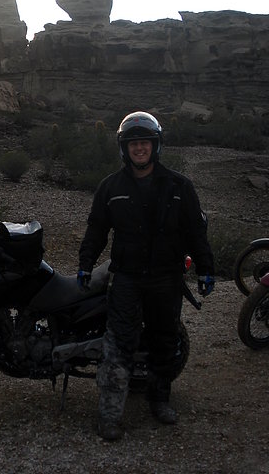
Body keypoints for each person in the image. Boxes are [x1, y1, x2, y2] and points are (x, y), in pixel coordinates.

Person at [77, 111, 215, 441]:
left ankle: (160, 400)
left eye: (145, 143)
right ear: (125, 149)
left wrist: (207, 268)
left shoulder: (180, 186)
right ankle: (110, 414)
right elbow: (97, 229)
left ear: (156, 146)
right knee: (118, 345)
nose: (140, 149)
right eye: (134, 144)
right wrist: (85, 262)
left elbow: (196, 232)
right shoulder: (110, 187)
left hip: (166, 279)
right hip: (125, 278)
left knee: (163, 341)